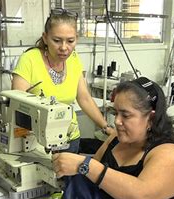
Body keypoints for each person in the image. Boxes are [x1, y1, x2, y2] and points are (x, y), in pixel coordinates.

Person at [11, 8, 114, 153]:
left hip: (70, 139)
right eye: (57, 40)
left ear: (76, 38)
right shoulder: (30, 60)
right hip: (37, 141)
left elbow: (84, 97)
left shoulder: (74, 59)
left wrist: (106, 127)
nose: (64, 48)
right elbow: (18, 104)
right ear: (45, 38)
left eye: (70, 41)